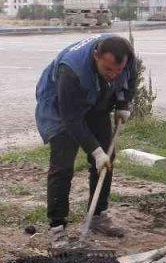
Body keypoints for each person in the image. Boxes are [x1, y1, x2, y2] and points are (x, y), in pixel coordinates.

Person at [34, 34, 138, 248]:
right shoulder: (71, 71)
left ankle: (98, 215)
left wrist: (123, 104)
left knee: (107, 160)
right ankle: (57, 227)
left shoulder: (126, 55)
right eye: (108, 69)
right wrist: (95, 151)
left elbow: (130, 77)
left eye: (118, 70)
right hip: (61, 107)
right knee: (62, 166)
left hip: (96, 100)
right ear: (96, 55)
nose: (113, 75)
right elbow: (71, 120)